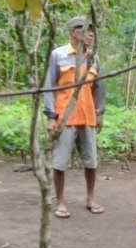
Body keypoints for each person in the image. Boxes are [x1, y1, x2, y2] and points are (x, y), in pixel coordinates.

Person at [43, 16, 105, 218]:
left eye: (92, 31)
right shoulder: (58, 55)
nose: (90, 35)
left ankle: (90, 198)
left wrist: (99, 114)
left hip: (87, 116)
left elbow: (98, 88)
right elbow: (49, 86)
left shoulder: (93, 58)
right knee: (60, 162)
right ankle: (60, 202)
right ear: (73, 32)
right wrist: (51, 116)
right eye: (86, 30)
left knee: (91, 161)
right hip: (65, 117)